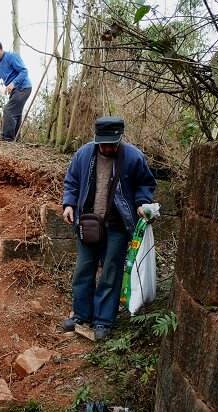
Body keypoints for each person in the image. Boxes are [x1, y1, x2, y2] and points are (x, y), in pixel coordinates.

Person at [61, 117, 156, 340]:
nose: (106, 148)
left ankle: (103, 320)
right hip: (88, 222)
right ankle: (81, 315)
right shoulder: (84, 155)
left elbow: (145, 183)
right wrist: (68, 204)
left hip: (117, 226)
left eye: (111, 143)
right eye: (102, 143)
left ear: (119, 139)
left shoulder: (133, 157)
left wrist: (142, 202)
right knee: (83, 269)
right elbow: (72, 181)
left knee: (111, 273)